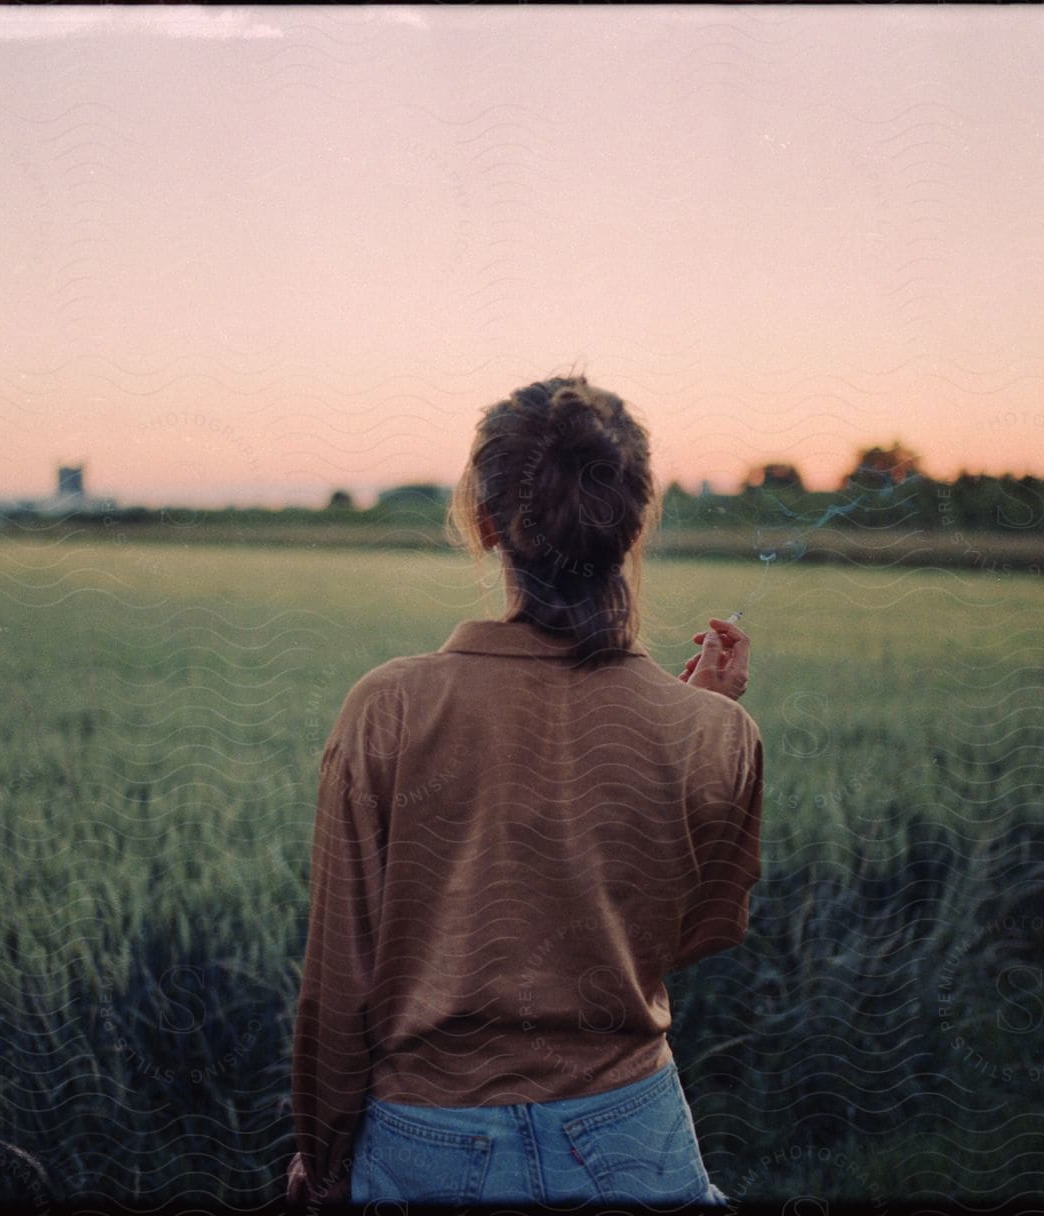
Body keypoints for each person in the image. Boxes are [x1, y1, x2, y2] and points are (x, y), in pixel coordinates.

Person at [288, 374, 762, 1206]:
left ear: (484, 521)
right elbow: (665, 938)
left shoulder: (389, 708)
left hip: (427, 1142)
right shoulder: (718, 734)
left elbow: (339, 980)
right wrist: (697, 720)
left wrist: (324, 1163)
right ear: (634, 521)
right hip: (633, 1135)